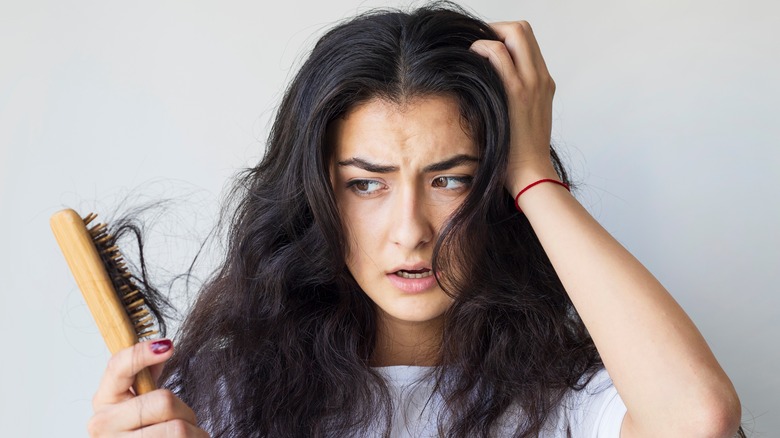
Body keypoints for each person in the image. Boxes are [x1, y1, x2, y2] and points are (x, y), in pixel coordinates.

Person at [86, 2, 743, 437]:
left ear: (496, 190)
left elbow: (698, 415)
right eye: (366, 184)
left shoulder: (574, 400)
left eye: (451, 179)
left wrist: (534, 171)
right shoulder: (220, 399)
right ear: (315, 194)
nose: (410, 231)